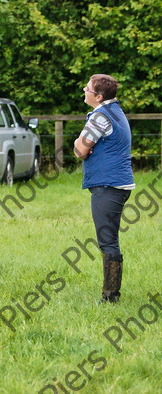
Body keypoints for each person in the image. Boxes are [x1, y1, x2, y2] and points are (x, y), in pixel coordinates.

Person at [73, 74, 135, 303]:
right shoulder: (115, 111)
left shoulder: (100, 116)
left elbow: (80, 150)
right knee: (108, 238)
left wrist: (78, 143)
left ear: (98, 96)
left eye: (87, 89)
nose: (84, 91)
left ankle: (111, 297)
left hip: (108, 185)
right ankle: (111, 294)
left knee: (107, 240)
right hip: (117, 183)